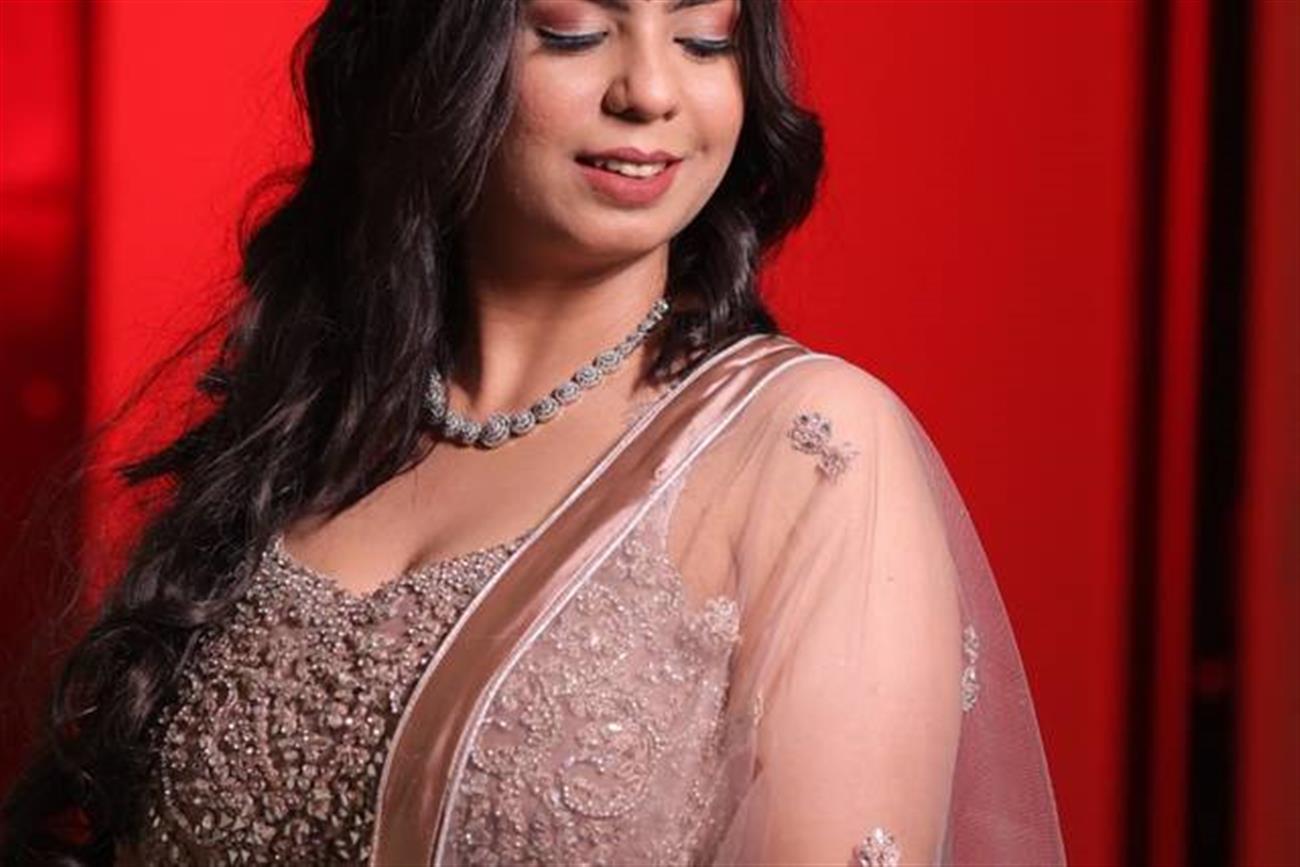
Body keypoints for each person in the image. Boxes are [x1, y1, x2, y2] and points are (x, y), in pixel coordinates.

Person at [1, 0, 1067, 864]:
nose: (651, 90)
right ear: (441, 51)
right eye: (574, 32)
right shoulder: (306, 433)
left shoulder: (799, 445)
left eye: (705, 41)